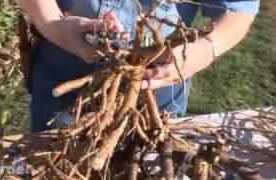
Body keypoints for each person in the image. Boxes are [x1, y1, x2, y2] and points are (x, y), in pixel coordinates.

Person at [16, 0, 260, 132]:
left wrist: (207, 48)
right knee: (56, 157)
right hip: (64, 80)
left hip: (157, 86)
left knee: (146, 159)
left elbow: (239, 10)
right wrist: (50, 22)